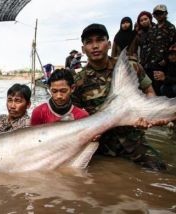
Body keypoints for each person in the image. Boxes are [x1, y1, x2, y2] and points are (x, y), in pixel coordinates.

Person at [72, 23, 168, 170]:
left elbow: (149, 90)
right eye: (89, 42)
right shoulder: (78, 80)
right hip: (100, 146)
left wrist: (149, 115)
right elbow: (75, 115)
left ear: (109, 44)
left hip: (133, 139)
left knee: (159, 171)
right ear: (83, 49)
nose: (95, 46)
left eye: (99, 40)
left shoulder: (128, 67)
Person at [141, 5, 176, 95]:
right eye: (156, 13)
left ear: (166, 14)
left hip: (162, 63)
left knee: (160, 87)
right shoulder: (153, 28)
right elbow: (148, 46)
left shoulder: (170, 27)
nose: (158, 15)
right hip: (149, 63)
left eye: (161, 13)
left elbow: (172, 46)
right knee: (150, 87)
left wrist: (166, 59)